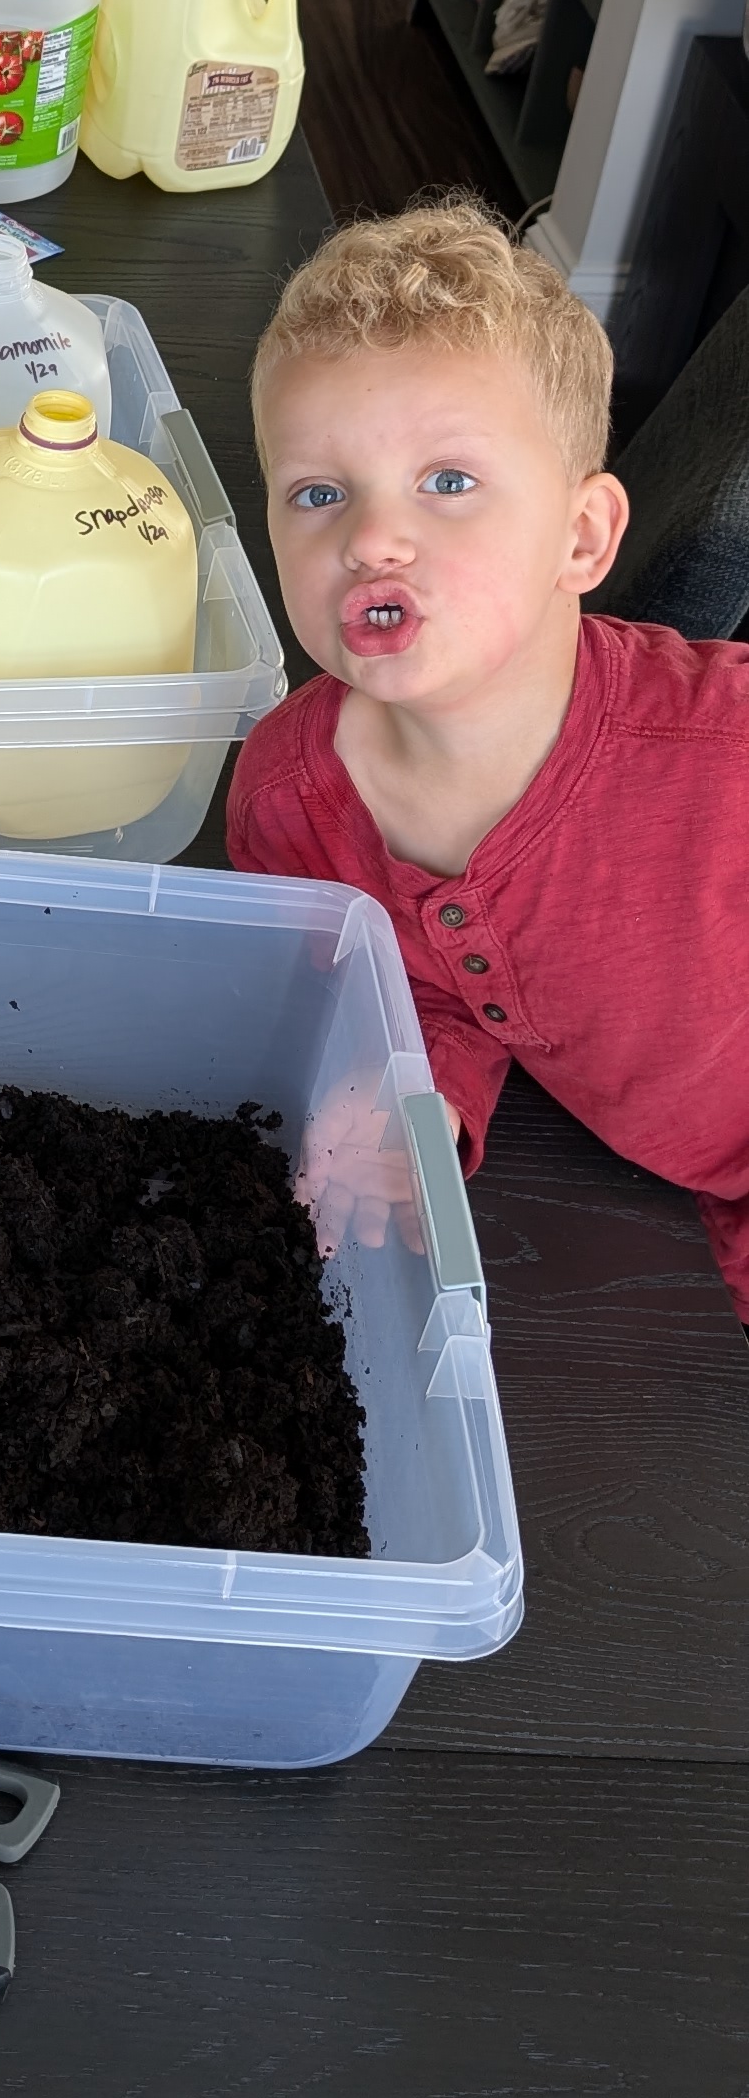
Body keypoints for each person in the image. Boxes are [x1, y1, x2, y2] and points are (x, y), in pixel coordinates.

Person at [227, 197, 749, 1319]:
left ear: (583, 537)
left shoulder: (724, 760)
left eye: (448, 482)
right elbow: (406, 997)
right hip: (630, 1229)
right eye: (318, 494)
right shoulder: (288, 801)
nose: (370, 538)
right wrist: (422, 1117)